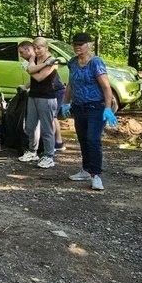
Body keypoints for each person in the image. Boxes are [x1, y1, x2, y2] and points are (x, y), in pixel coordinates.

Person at [61, 32, 118, 191]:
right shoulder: (72, 62)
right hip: (79, 107)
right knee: (83, 139)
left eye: (81, 44)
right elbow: (70, 84)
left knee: (93, 140)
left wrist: (108, 107)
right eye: (75, 44)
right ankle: (86, 170)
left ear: (89, 45)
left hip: (96, 107)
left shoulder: (96, 63)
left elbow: (106, 86)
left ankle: (96, 175)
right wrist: (65, 103)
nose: (77, 47)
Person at [18, 37, 63, 167]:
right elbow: (31, 70)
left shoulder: (52, 61)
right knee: (30, 126)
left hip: (47, 97)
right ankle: (32, 151)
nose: (37, 51)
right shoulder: (35, 59)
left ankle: (49, 155)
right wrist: (39, 64)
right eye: (35, 48)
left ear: (46, 48)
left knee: (46, 128)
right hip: (33, 95)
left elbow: (39, 77)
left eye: (39, 48)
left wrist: (32, 67)